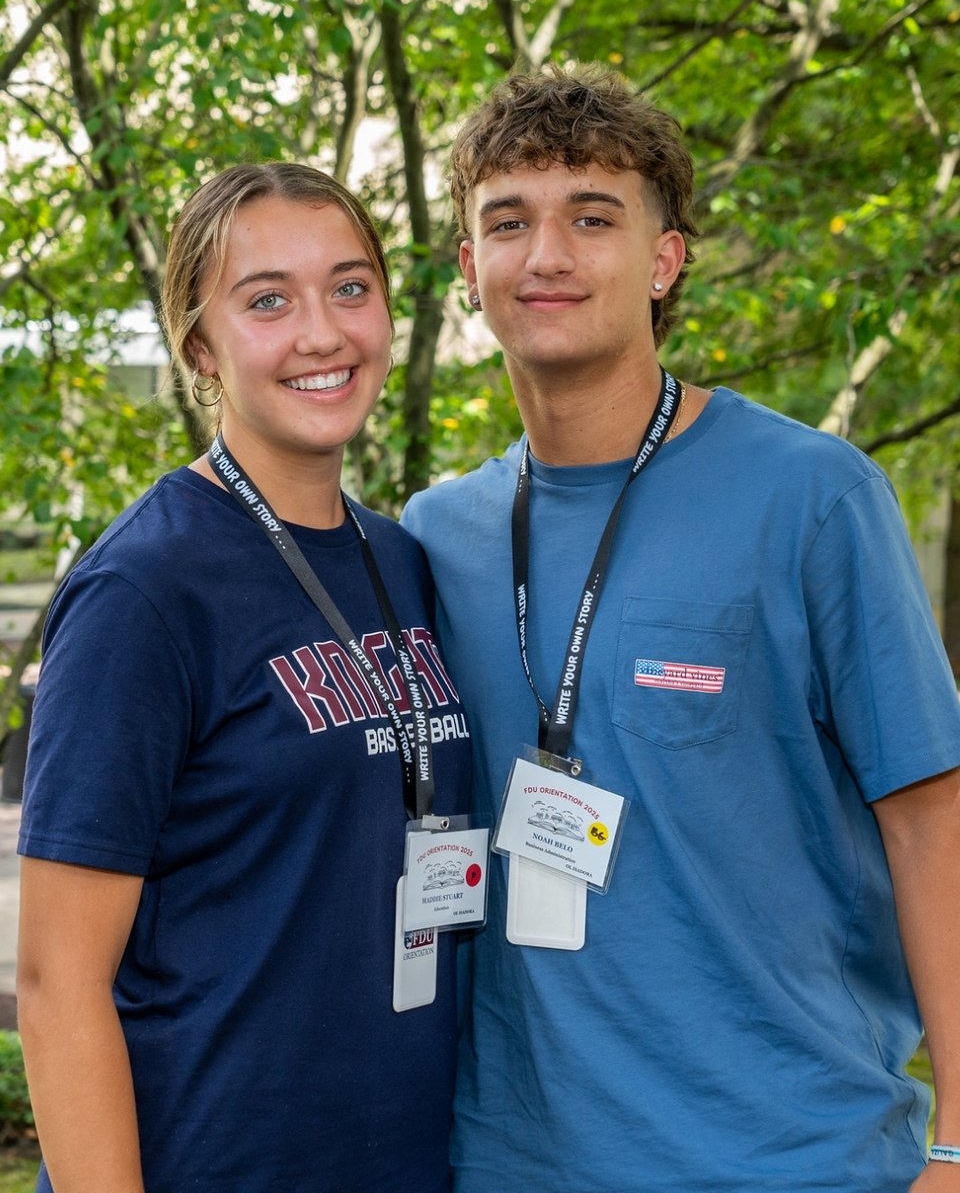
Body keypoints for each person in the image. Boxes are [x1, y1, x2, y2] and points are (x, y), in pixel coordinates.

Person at [402, 67, 960, 1192]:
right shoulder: (433, 535)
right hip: (509, 1162)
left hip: (794, 1156)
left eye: (592, 219)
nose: (547, 255)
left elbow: (934, 823)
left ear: (665, 261)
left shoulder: (813, 497)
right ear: (470, 270)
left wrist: (958, 1141)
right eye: (508, 222)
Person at [18, 162, 470, 1193]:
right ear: (199, 346)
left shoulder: (400, 563)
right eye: (267, 300)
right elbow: (56, 982)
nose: (322, 332)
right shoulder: (144, 588)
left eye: (351, 288)